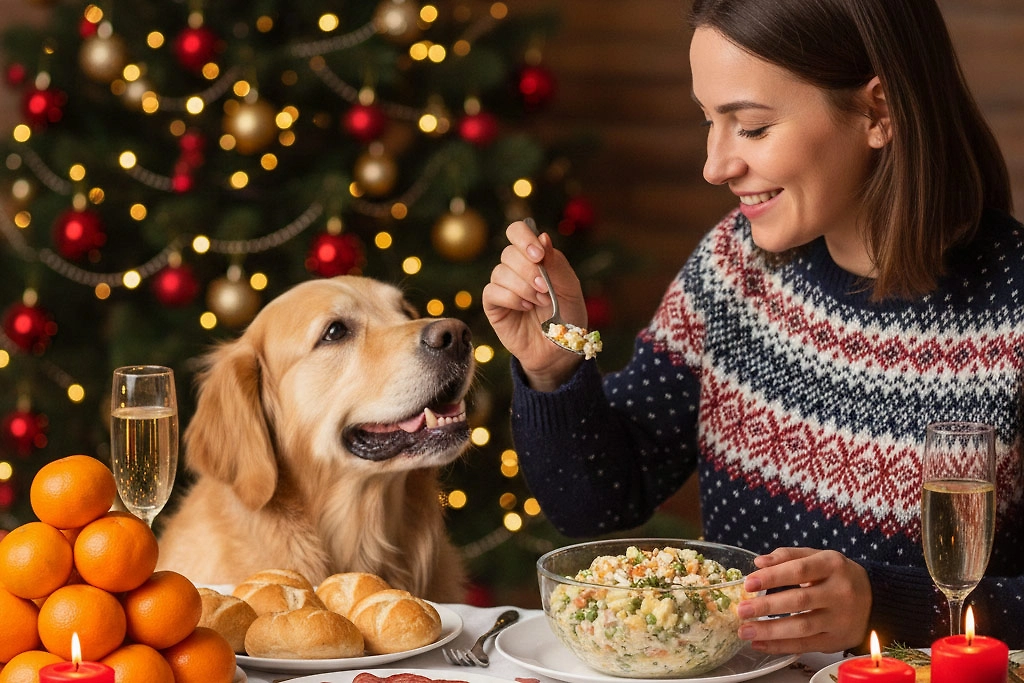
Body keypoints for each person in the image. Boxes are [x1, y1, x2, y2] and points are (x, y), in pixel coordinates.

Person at [482, 0, 1024, 655]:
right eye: (708, 121)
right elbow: (596, 500)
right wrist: (553, 368)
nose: (715, 165)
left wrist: (884, 605)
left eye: (753, 127)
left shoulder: (1012, 305)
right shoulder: (732, 265)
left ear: (879, 113)